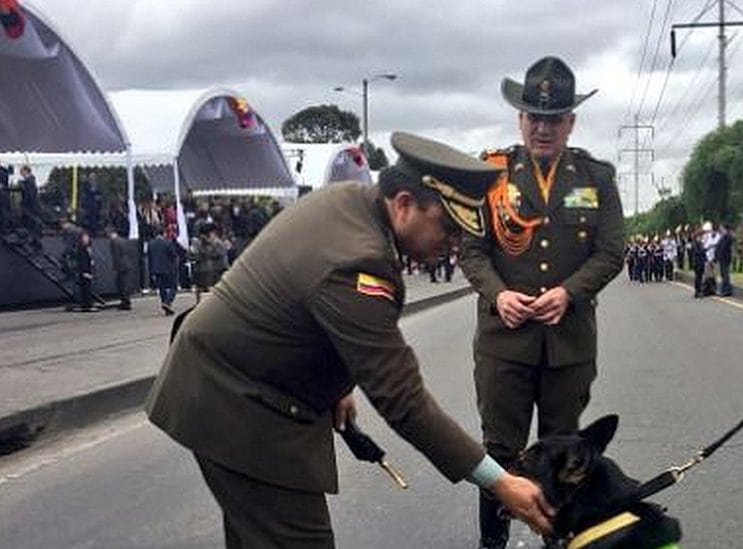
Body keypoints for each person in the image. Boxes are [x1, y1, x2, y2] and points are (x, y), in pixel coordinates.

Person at [145, 132, 554, 549]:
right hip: (237, 408)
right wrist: (500, 481)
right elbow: (404, 400)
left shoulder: (352, 201)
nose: (454, 244)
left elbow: (308, 311)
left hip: (228, 383)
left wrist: (338, 384)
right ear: (405, 204)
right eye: (448, 228)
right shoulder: (359, 261)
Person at [458, 56, 624, 549]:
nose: (543, 128)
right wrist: (498, 293)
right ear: (520, 120)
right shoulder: (490, 176)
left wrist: (569, 293)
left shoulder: (595, 177)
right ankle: (494, 544)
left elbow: (611, 251)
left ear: (571, 122)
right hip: (503, 345)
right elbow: (472, 250)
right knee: (499, 456)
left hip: (567, 346)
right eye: (535, 118)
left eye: (554, 119)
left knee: (567, 460)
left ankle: (560, 542)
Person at [147, 226, 181, 315]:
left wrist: (151, 272)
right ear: (164, 233)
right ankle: (168, 302)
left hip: (157, 270)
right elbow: (174, 255)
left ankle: (165, 304)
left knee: (162, 288)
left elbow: (150, 259)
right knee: (173, 287)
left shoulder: (150, 244)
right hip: (169, 269)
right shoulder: (168, 243)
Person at [108, 227, 133, 310]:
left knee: (121, 284)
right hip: (127, 264)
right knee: (126, 284)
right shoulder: (124, 241)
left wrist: (115, 267)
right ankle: (127, 300)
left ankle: (125, 302)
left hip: (120, 266)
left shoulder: (114, 242)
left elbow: (116, 256)